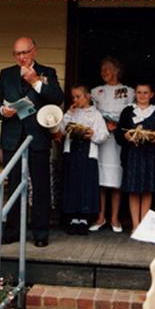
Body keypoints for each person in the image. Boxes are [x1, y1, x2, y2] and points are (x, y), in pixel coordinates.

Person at [0, 37, 64, 247]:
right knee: (12, 184)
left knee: (40, 186)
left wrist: (35, 82)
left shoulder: (47, 72)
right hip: (12, 137)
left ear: (34, 51)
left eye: (25, 52)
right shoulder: (6, 74)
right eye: (17, 53)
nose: (21, 57)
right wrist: (2, 110)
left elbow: (57, 98)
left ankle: (40, 233)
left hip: (37, 137)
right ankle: (12, 230)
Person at [90, 56, 134, 233]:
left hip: (117, 140)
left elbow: (132, 115)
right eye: (102, 70)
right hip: (102, 138)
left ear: (116, 70)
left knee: (115, 179)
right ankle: (101, 217)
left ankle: (115, 218)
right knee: (101, 179)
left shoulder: (128, 91)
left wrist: (119, 125)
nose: (103, 73)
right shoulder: (95, 91)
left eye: (107, 69)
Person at [60, 85, 109, 235]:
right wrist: (68, 114)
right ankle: (73, 218)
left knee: (85, 184)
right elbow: (61, 130)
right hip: (72, 152)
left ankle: (84, 218)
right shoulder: (71, 113)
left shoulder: (95, 114)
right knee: (72, 183)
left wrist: (92, 135)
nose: (75, 100)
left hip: (88, 154)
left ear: (87, 96)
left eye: (78, 96)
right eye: (73, 97)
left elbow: (104, 135)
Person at [115, 82, 155, 232]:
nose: (142, 96)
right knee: (134, 190)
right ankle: (135, 224)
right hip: (133, 155)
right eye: (139, 92)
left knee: (147, 190)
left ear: (151, 95)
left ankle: (144, 224)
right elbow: (119, 133)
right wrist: (127, 136)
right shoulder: (128, 111)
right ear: (135, 94)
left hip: (150, 156)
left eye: (145, 93)